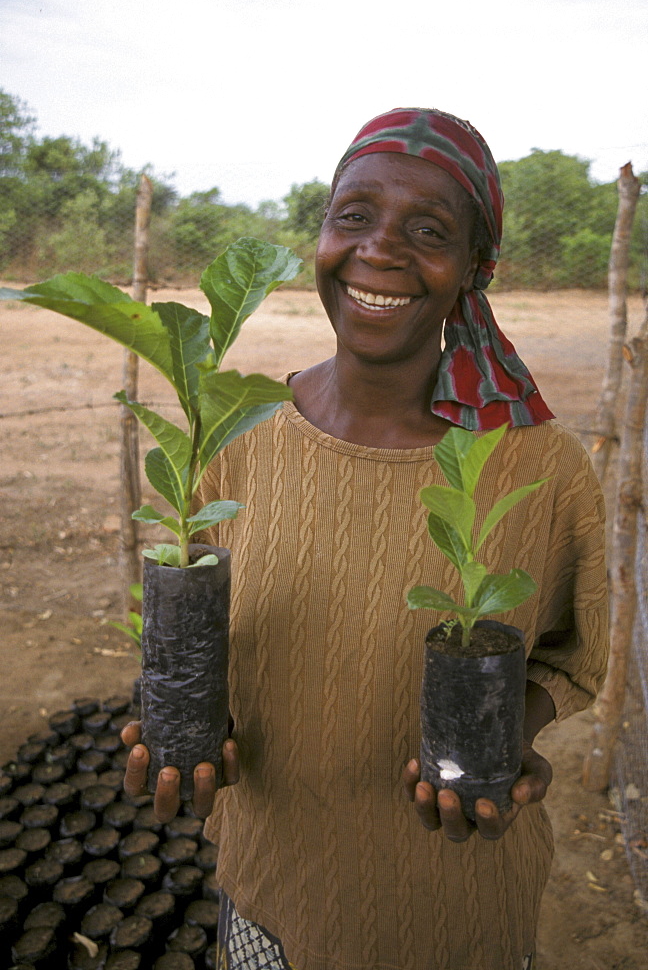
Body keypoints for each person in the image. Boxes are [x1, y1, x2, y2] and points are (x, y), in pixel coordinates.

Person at [122, 108, 609, 970]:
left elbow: (572, 658)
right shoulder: (237, 431)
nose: (380, 249)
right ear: (321, 235)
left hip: (459, 904)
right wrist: (184, 720)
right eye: (353, 215)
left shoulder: (543, 468)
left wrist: (502, 738)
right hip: (273, 887)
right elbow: (201, 628)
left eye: (428, 231)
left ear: (474, 269)